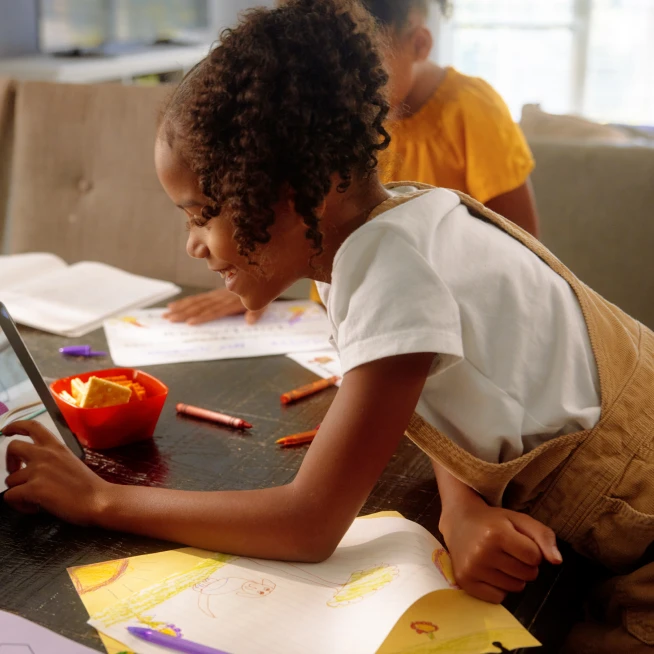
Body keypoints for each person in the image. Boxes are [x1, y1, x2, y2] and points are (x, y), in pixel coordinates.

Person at [3, 3, 652, 651]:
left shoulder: (388, 268)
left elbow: (308, 524)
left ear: (296, 196)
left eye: (201, 213)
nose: (192, 246)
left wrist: (99, 500)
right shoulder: (408, 217)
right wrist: (463, 508)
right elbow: (456, 390)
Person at [164, 0, 539, 322]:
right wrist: (252, 273)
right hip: (334, 324)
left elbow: (522, 250)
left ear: (420, 43)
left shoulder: (470, 110)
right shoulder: (326, 130)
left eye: (356, 67)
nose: (335, 92)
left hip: (434, 318)